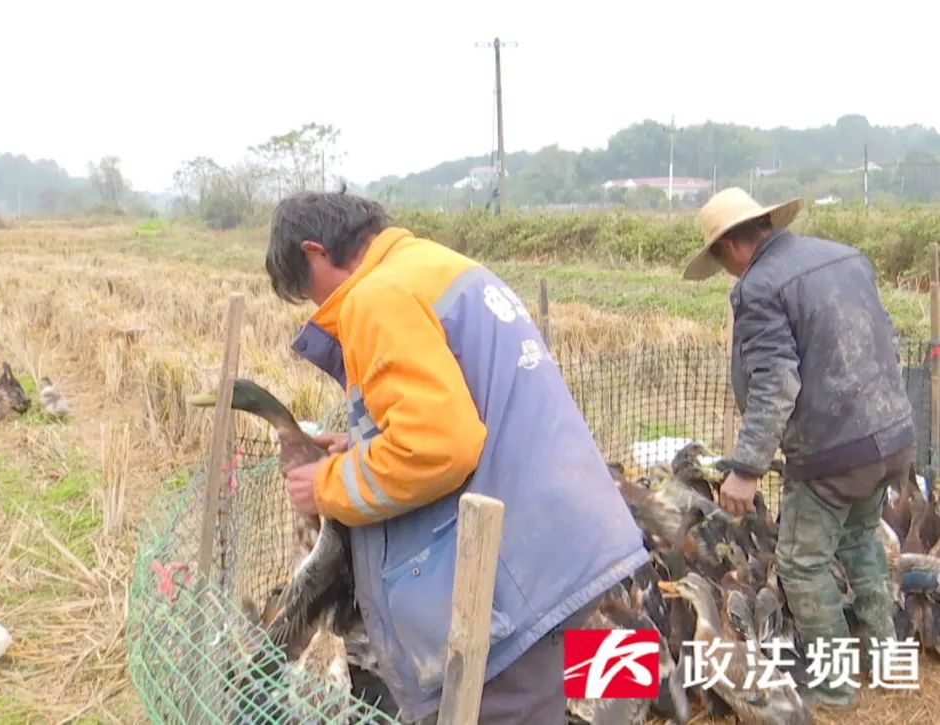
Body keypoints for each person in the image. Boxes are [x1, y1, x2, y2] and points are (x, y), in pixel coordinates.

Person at [265, 188, 648, 724]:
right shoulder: (442, 268)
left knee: (509, 709)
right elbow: (465, 407)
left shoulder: (378, 295)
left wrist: (325, 484)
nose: (318, 307)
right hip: (569, 546)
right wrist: (362, 448)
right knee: (572, 697)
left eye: (308, 291)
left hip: (517, 578)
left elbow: (438, 445)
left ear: (315, 252)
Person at [684, 187, 916, 710]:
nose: (728, 274)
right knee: (859, 540)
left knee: (800, 564)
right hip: (890, 435)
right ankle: (886, 658)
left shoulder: (760, 286)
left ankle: (833, 686)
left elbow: (775, 384)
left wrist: (746, 468)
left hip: (834, 453)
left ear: (730, 246)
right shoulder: (844, 257)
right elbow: (885, 341)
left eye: (722, 263)